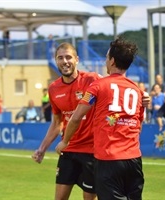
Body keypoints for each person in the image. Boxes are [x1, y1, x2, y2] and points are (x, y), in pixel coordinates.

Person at [32, 42, 150, 200]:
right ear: (55, 60)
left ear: (77, 60)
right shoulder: (53, 89)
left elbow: (114, 88)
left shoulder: (93, 80)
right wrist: (42, 148)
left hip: (93, 152)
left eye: (68, 57)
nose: (65, 61)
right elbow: (56, 122)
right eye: (60, 58)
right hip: (70, 150)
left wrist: (144, 97)